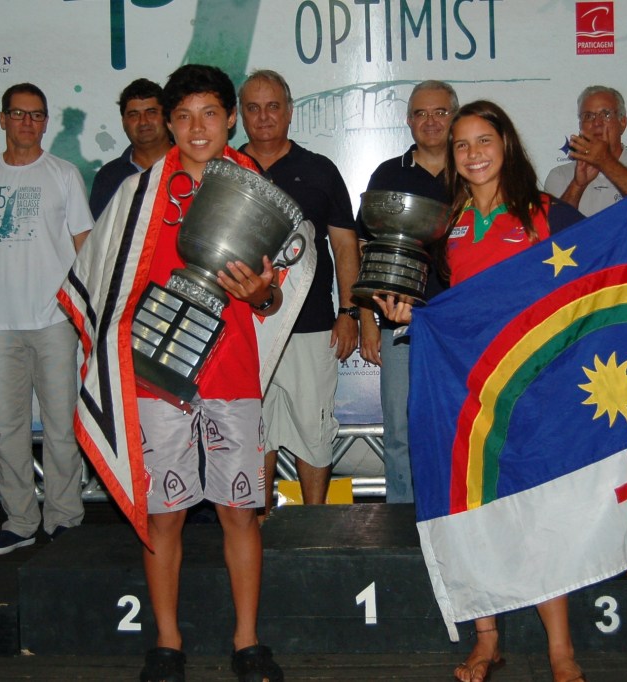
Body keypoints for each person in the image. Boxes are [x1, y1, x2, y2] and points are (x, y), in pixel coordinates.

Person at [66, 64, 285, 682]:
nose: (196, 128)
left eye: (210, 114)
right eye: (183, 115)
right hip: (154, 378)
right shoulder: (137, 195)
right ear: (166, 121)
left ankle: (248, 642)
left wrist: (262, 292)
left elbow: (273, 302)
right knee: (163, 511)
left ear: (230, 119)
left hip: (232, 374)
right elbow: (101, 287)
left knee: (239, 511)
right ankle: (167, 641)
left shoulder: (257, 190)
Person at [375, 100, 585, 682]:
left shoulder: (547, 214)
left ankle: (561, 652)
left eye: (484, 140)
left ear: (507, 144)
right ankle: (486, 639)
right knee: (474, 512)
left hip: (534, 385)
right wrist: (408, 313)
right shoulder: (447, 221)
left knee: (538, 514)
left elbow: (599, 267)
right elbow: (442, 306)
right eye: (462, 144)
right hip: (469, 388)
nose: (473, 153)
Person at [0, 83, 92, 555]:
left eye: (36, 115)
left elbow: (83, 248)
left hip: (54, 320)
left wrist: (90, 314)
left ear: (45, 122)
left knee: (59, 425)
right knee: (9, 427)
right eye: (18, 114)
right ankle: (19, 520)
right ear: (2, 119)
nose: (27, 123)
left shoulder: (64, 175)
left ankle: (65, 516)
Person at [238, 69, 359, 513]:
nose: (264, 116)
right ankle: (260, 522)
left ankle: (314, 525)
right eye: (253, 107)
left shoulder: (319, 170)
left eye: (273, 106)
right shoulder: (229, 170)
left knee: (314, 427)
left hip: (310, 325)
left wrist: (348, 311)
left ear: (289, 112)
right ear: (240, 115)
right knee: (255, 429)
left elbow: (345, 244)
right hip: (246, 327)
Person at [357, 80, 457, 503]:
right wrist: (365, 318)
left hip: (459, 320)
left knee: (459, 421)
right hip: (397, 319)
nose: (430, 121)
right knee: (399, 427)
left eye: (439, 112)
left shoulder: (475, 168)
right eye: (420, 113)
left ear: (454, 116)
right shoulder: (389, 174)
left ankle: (457, 514)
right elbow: (364, 248)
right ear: (408, 121)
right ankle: (402, 521)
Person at [544, 85, 627, 216]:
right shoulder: (560, 175)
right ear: (580, 125)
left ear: (622, 122)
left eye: (606, 114)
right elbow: (554, 229)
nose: (597, 123)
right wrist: (577, 185)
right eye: (588, 116)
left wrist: (605, 162)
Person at [89, 78, 173, 221]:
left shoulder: (190, 164)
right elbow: (98, 238)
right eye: (133, 114)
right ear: (124, 122)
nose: (143, 121)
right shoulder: (108, 177)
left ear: (166, 117)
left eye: (151, 112)